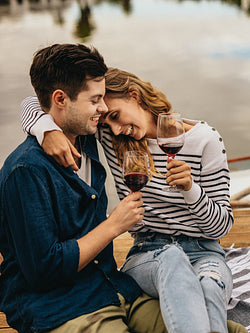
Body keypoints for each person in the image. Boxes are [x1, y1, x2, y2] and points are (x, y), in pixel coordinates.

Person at [21, 68, 245, 333]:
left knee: (210, 287)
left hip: (204, 251)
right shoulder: (110, 137)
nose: (116, 128)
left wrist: (191, 189)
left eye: (115, 116)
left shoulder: (205, 140)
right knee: (171, 257)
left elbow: (220, 228)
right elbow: (33, 102)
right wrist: (47, 130)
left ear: (135, 96)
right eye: (107, 123)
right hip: (149, 253)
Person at [0, 44, 167, 333]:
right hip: (60, 307)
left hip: (111, 287)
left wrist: (46, 126)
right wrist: (113, 225)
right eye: (95, 100)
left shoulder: (87, 138)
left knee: (214, 326)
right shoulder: (26, 171)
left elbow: (33, 102)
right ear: (61, 99)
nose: (103, 109)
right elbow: (43, 270)